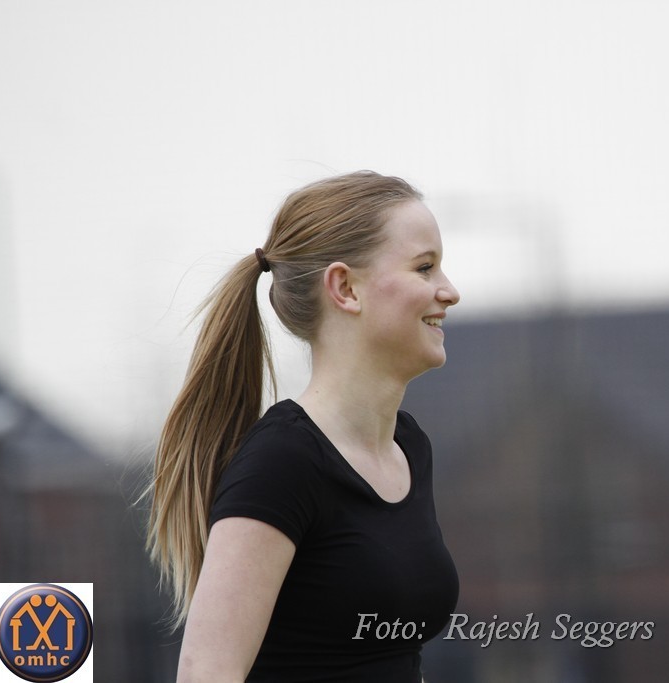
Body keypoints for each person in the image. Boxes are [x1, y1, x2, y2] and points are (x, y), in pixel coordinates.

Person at [146, 171, 462, 682]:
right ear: (345, 288)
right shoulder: (284, 462)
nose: (450, 292)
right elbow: (207, 672)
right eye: (424, 267)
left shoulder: (408, 448)